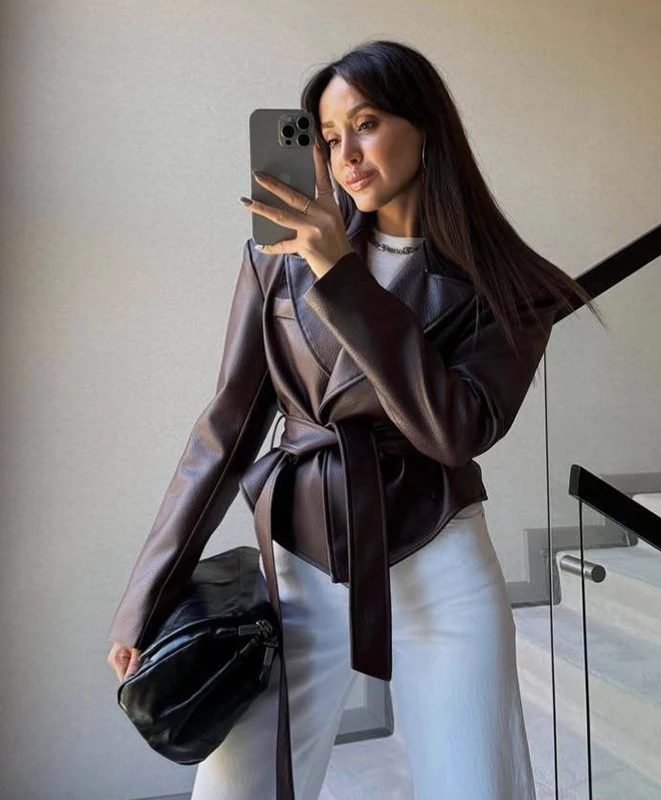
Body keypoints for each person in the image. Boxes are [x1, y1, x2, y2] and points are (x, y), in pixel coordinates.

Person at [107, 38, 605, 800]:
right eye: (329, 136)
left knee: (477, 787)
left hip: (439, 563)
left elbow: (456, 429)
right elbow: (227, 429)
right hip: (300, 563)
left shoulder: (511, 285)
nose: (345, 156)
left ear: (425, 125)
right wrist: (148, 591)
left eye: (366, 124)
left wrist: (342, 274)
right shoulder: (276, 257)